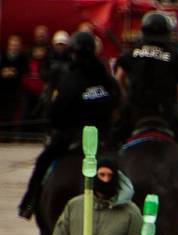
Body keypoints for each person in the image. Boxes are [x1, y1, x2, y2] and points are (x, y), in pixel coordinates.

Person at [18, 32, 117, 219]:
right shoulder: (104, 77)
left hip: (71, 137)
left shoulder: (69, 79)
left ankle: (29, 202)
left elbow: (56, 114)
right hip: (102, 137)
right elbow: (116, 100)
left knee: (42, 162)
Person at [113, 11, 178, 149]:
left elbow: (119, 77)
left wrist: (125, 95)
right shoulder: (174, 56)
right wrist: (170, 101)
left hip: (136, 109)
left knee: (114, 140)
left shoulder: (132, 52)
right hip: (163, 110)